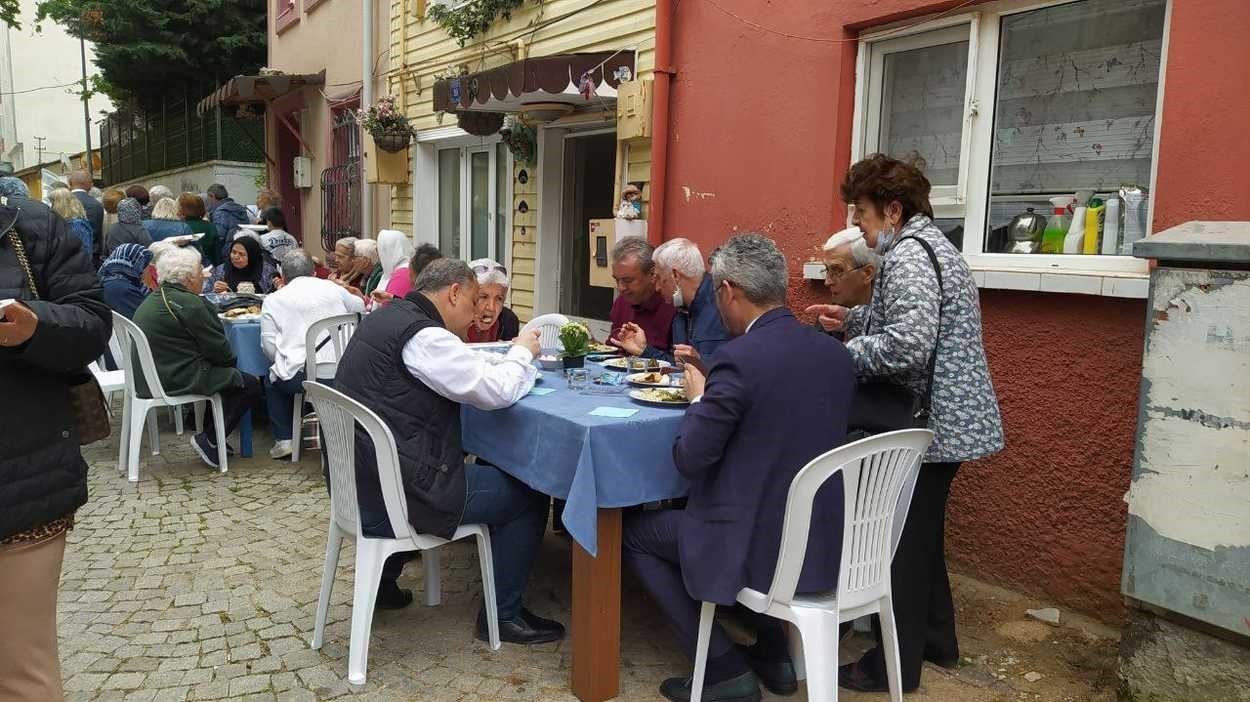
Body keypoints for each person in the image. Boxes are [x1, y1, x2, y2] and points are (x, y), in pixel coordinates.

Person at [623, 234, 855, 702]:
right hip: (827, 539)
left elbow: (690, 458)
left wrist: (699, 400)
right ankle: (773, 655)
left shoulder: (737, 360)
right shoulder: (836, 354)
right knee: (762, 494)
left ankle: (722, 668)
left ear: (727, 290)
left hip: (757, 543)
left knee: (634, 534)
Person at [804, 154, 1004, 694]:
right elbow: (908, 321)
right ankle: (938, 640)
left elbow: (910, 346)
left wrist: (839, 355)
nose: (860, 226)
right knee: (923, 539)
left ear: (892, 211)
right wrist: (850, 319)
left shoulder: (911, 255)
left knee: (903, 549)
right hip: (948, 421)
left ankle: (896, 664)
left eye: (863, 214)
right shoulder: (929, 247)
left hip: (933, 423)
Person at [334, 258, 564, 644]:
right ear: (454, 292)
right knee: (529, 491)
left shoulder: (385, 318)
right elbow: (496, 391)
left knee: (489, 467)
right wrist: (522, 351)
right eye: (475, 301)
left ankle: (385, 583)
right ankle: (502, 616)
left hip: (359, 482)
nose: (478, 312)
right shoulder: (426, 337)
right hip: (395, 495)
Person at [1, 197, 111, 701]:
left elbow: (91, 323)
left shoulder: (28, 226)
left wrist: (33, 327)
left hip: (18, 487)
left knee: (20, 673)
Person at [132, 244, 263, 469]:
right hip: (172, 376)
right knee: (248, 383)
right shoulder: (190, 303)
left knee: (226, 376)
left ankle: (215, 438)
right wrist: (230, 366)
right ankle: (209, 439)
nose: (204, 277)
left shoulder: (158, 296)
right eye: (200, 272)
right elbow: (221, 352)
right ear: (188, 278)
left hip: (152, 373)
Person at [260, 250, 365, 459]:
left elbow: (268, 348)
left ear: (284, 277)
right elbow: (360, 308)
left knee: (271, 379)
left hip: (304, 377)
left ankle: (285, 440)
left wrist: (285, 360)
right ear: (314, 271)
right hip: (345, 372)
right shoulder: (333, 289)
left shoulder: (273, 300)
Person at [611, 237, 729, 369]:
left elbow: (729, 372)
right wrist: (644, 350)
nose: (657, 288)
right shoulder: (680, 305)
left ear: (675, 276)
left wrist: (699, 363)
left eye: (660, 279)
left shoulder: (720, 304)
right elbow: (677, 365)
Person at [608, 237, 676, 353]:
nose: (621, 288)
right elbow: (611, 348)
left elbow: (681, 364)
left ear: (652, 275)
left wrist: (644, 352)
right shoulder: (622, 302)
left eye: (628, 280)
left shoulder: (671, 304)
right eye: (617, 280)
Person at [820, 226, 878, 309]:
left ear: (867, 273)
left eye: (837, 271)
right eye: (827, 270)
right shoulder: (828, 317)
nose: (827, 282)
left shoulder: (892, 316)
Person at [466, 258, 519, 342]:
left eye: (499, 299)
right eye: (483, 297)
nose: (491, 307)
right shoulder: (452, 324)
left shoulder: (508, 321)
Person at [98, 243, 155, 319]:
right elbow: (147, 317)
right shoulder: (120, 289)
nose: (146, 270)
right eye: (144, 265)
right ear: (135, 264)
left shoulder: (108, 278)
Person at [208, 236, 277, 294]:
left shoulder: (267, 271)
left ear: (252, 256)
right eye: (233, 252)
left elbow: (276, 295)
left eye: (241, 254)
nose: (236, 257)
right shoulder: (221, 270)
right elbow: (206, 292)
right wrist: (215, 290)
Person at [206, 183, 250, 260]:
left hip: (227, 254)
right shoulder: (240, 208)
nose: (208, 201)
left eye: (208, 198)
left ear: (212, 196)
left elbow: (219, 236)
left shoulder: (220, 211)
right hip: (244, 249)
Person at [68, 170, 104, 265]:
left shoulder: (61, 203)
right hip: (91, 258)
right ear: (90, 185)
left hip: (66, 259)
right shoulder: (96, 205)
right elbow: (97, 233)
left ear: (70, 183)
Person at [179, 192, 223, 266]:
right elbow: (217, 255)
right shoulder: (210, 226)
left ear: (184, 210)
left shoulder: (181, 227)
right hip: (208, 267)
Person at [48, 187, 95, 256]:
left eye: (53, 203)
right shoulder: (67, 223)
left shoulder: (77, 225)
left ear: (61, 205)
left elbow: (85, 254)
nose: (51, 207)